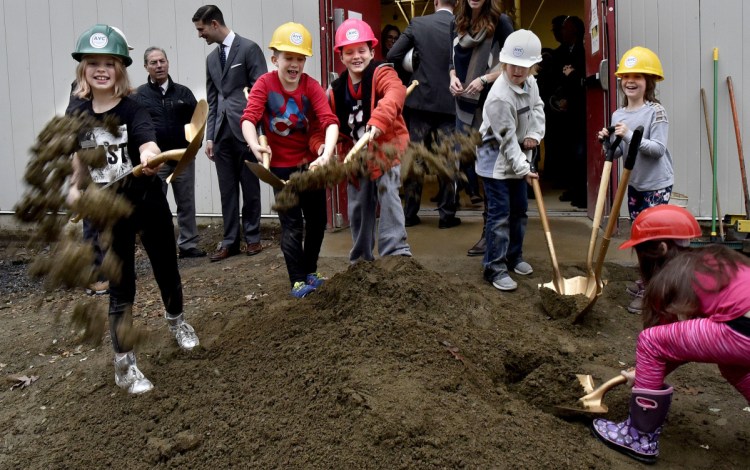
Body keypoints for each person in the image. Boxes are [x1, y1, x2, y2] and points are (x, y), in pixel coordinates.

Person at [66, 24, 200, 394]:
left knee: (166, 268)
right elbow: (77, 154)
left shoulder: (134, 106)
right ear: (83, 69)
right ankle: (124, 365)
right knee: (122, 285)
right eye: (93, 63)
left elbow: (146, 141)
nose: (101, 69)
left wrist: (149, 155)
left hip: (147, 201)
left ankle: (177, 321)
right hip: (109, 209)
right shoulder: (76, 110)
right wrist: (75, 188)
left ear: (121, 68)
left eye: (109, 63)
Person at [591, 205, 750, 464]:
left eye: (641, 250)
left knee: (650, 341)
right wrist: (645, 374)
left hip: (741, 327)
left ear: (662, 248)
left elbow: (662, 345)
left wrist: (646, 373)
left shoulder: (672, 278)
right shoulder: (712, 262)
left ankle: (639, 436)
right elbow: (689, 344)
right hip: (741, 326)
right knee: (733, 366)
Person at [240, 22, 339, 298]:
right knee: (292, 224)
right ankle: (296, 280)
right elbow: (249, 119)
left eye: (299, 58)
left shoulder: (311, 86)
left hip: (310, 165)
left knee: (318, 221)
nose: (294, 64)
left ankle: (310, 270)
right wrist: (255, 147)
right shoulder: (264, 84)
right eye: (288, 58)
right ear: (275, 59)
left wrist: (326, 154)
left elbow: (330, 122)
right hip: (281, 169)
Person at [317, 18, 412, 263]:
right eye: (349, 52)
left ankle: (396, 255)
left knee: (388, 194)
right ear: (341, 56)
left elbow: (396, 92)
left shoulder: (382, 73)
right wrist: (321, 147)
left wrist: (380, 119)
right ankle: (360, 260)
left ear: (372, 51)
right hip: (355, 155)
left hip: (386, 150)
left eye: (362, 50)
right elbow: (324, 124)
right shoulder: (335, 90)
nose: (356, 56)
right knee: (358, 207)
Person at [597, 46, 673, 314]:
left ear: (649, 82)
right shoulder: (619, 114)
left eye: (638, 76)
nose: (630, 81)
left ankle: (654, 292)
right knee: (639, 237)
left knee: (652, 239)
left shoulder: (656, 112)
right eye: (626, 76)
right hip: (636, 184)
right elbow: (619, 152)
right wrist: (608, 141)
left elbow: (658, 150)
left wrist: (629, 135)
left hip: (656, 184)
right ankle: (647, 280)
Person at [192, 5, 268, 262]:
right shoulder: (211, 60)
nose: (200, 35)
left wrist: (258, 133)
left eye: (201, 29)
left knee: (250, 186)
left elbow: (261, 92)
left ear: (214, 24)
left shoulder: (249, 49)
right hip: (221, 134)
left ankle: (254, 238)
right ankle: (230, 241)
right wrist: (209, 137)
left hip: (245, 130)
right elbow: (213, 100)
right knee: (227, 191)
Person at [67, 26, 135, 296]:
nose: (104, 68)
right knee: (94, 223)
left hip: (118, 163)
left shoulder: (123, 91)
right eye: (97, 62)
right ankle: (96, 274)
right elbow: (78, 132)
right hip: (96, 162)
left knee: (114, 221)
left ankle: (113, 268)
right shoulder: (81, 93)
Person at [475, 29, 543, 292]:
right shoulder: (499, 97)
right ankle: (494, 267)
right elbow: (506, 141)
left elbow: (538, 108)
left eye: (524, 66)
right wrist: (525, 168)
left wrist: (535, 134)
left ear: (533, 66)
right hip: (496, 164)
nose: (517, 71)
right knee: (500, 215)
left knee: (520, 212)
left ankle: (514, 256)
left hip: (518, 157)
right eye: (513, 65)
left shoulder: (531, 82)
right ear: (504, 62)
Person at [448, 0, 514, 257]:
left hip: (494, 105)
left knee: (492, 174)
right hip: (464, 108)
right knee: (475, 167)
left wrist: (485, 79)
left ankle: (492, 234)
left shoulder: (502, 21)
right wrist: (453, 78)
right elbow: (450, 60)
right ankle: (493, 232)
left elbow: (514, 63)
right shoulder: (456, 21)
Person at [387, 0, 460, 229]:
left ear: (436, 2)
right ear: (456, 4)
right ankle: (447, 216)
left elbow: (393, 53)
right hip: (450, 102)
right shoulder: (461, 26)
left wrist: (413, 61)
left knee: (415, 158)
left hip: (419, 102)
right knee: (446, 158)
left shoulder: (418, 24)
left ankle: (409, 213)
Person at [134, 47, 206, 259]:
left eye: (162, 61)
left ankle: (188, 244)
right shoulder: (139, 96)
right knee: (156, 205)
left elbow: (198, 122)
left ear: (168, 63)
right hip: (157, 161)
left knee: (186, 203)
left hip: (183, 158)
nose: (159, 66)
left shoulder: (183, 93)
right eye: (154, 63)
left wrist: (195, 148)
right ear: (146, 67)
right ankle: (160, 246)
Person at [550, 16, 587, 208]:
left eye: (565, 28)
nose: (561, 32)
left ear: (574, 31)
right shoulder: (566, 51)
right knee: (571, 154)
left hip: (581, 112)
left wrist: (572, 75)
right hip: (568, 111)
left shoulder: (583, 51)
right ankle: (574, 190)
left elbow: (582, 81)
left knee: (581, 154)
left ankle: (583, 195)